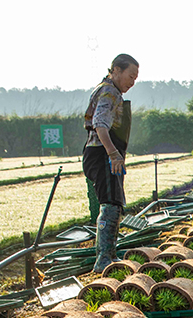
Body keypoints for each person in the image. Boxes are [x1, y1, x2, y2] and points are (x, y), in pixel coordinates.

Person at [83, 53, 139, 273]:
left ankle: (109, 255)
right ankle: (103, 259)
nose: (132, 82)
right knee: (109, 202)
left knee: (114, 202)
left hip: (103, 152)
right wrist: (113, 154)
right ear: (116, 70)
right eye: (130, 75)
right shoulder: (109, 91)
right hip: (101, 153)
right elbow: (100, 124)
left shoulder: (110, 90)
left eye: (136, 78)